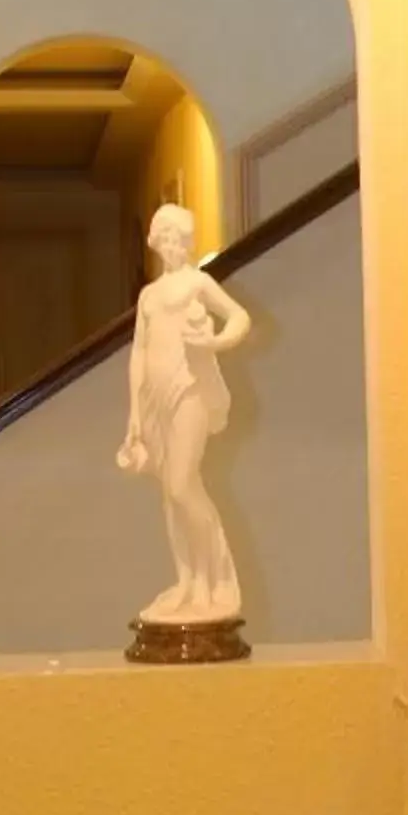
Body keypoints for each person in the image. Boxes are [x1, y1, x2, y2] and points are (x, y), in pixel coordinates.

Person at [116, 204, 252, 620]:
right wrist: (134, 412)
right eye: (166, 239)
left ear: (187, 241)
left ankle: (216, 579)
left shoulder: (199, 282)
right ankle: (188, 582)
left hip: (189, 388)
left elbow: (239, 317)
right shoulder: (149, 295)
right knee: (169, 497)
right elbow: (138, 352)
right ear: (157, 244)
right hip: (155, 396)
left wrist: (213, 344)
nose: (173, 246)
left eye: (179, 238)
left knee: (181, 484)